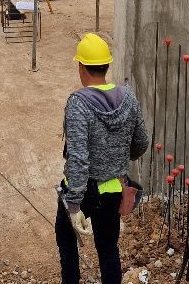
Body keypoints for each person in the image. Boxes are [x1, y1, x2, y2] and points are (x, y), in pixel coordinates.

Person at [56, 33, 148, 284]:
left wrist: (73, 204)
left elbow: (78, 158)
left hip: (83, 191)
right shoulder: (128, 99)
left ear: (81, 67)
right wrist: (120, 157)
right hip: (113, 188)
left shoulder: (78, 104)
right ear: (107, 65)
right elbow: (141, 143)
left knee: (66, 240)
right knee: (108, 249)